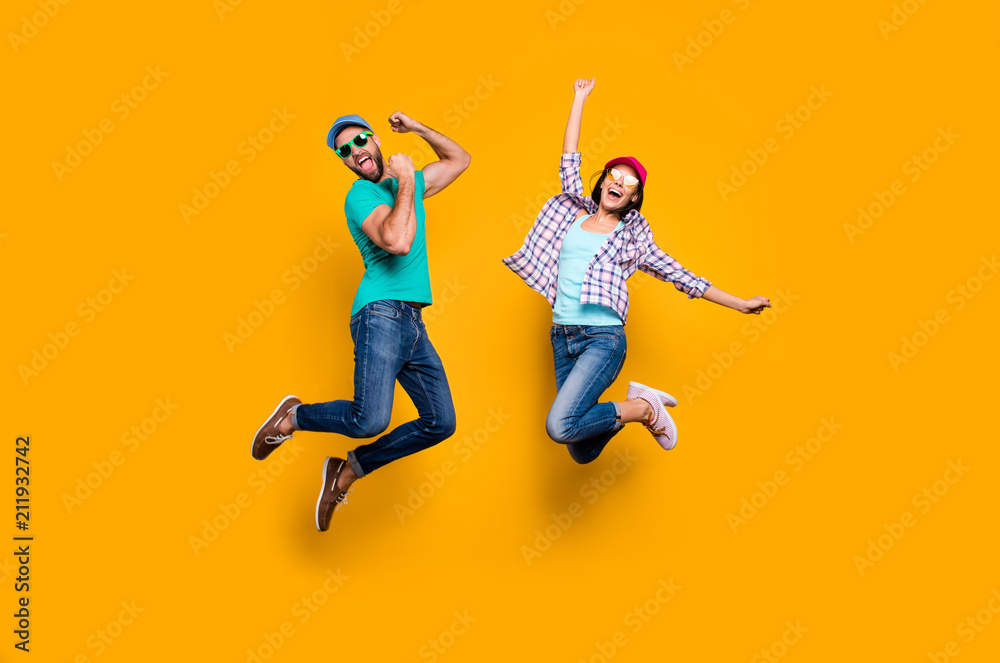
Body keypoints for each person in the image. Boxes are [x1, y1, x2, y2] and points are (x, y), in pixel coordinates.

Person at [502, 78, 770, 464]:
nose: (618, 183)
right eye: (613, 175)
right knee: (581, 449)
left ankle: (644, 409)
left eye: (629, 182)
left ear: (634, 198)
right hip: (561, 335)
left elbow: (685, 278)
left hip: (602, 338)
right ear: (602, 183)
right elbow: (569, 156)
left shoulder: (634, 240)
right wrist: (579, 98)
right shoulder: (572, 211)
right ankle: (638, 405)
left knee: (559, 425)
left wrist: (740, 303)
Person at [251, 111, 470, 531]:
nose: (354, 152)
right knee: (369, 420)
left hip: (412, 322)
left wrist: (419, 130)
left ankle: (347, 471)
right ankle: (293, 417)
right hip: (380, 313)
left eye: (360, 141)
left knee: (441, 422)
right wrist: (406, 179)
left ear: (376, 140)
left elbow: (460, 159)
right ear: (345, 162)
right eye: (345, 150)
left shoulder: (406, 185)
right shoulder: (361, 197)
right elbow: (398, 241)